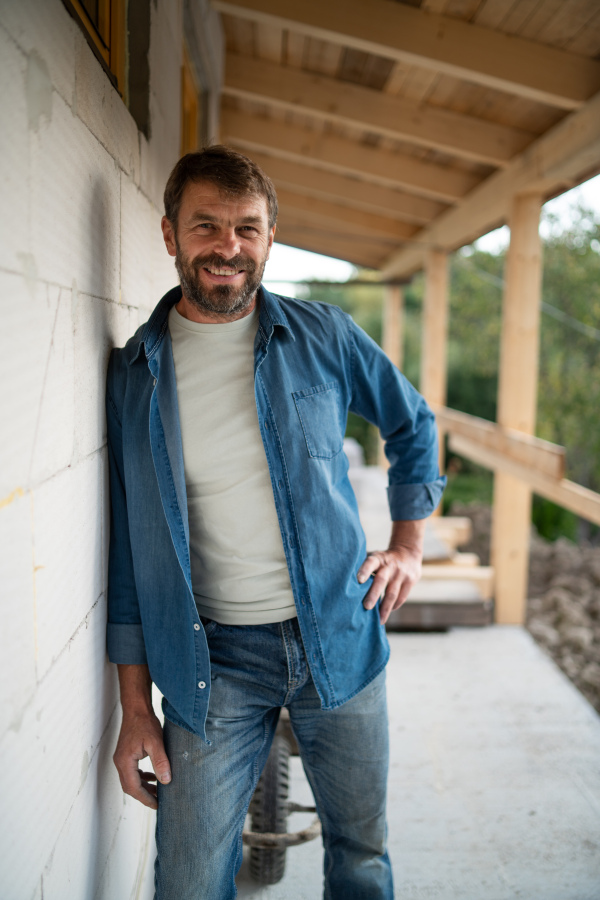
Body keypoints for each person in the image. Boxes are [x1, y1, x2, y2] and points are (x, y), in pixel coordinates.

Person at [106, 145, 445, 899]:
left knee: (360, 855)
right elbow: (131, 557)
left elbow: (413, 424)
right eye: (207, 227)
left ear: (268, 237)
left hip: (339, 637)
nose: (228, 247)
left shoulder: (323, 335)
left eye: (247, 229)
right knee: (189, 879)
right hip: (212, 663)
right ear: (170, 235)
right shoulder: (135, 375)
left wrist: (408, 546)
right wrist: (134, 710)